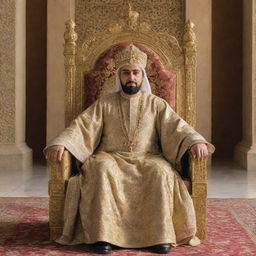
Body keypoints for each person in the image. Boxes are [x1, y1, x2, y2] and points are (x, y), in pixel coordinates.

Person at [44, 44, 214, 254]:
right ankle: (103, 236)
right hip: (110, 157)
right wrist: (62, 142)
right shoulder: (104, 103)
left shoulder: (157, 104)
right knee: (100, 169)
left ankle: (159, 236)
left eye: (135, 72)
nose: (130, 77)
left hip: (148, 157)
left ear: (142, 75)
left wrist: (195, 141)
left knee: (160, 172)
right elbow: (82, 127)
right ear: (119, 76)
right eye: (126, 73)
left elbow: (178, 127)